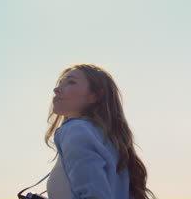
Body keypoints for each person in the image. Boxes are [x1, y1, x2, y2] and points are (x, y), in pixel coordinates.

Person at [44, 63, 157, 199]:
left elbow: (94, 194)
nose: (57, 89)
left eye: (71, 82)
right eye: (60, 83)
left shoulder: (76, 129)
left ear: (95, 96)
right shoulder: (109, 140)